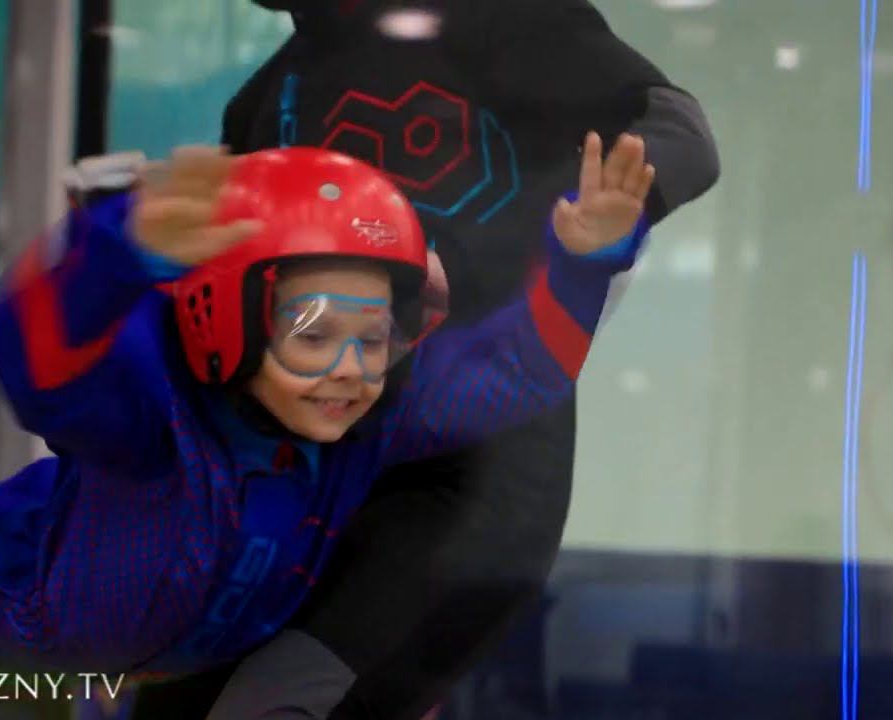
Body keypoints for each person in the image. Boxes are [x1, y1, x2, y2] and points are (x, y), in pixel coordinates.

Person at [0, 137, 653, 674]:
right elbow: (35, 359)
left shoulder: (363, 431)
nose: (349, 369)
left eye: (374, 336)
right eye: (312, 331)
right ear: (226, 320)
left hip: (80, 665)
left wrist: (588, 263)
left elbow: (515, 374)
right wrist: (114, 250)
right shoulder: (152, 431)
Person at [131, 0, 719, 717]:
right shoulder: (267, 94)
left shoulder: (500, 21)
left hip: (468, 472)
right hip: (302, 477)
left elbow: (680, 131)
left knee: (282, 699)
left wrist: (577, 225)